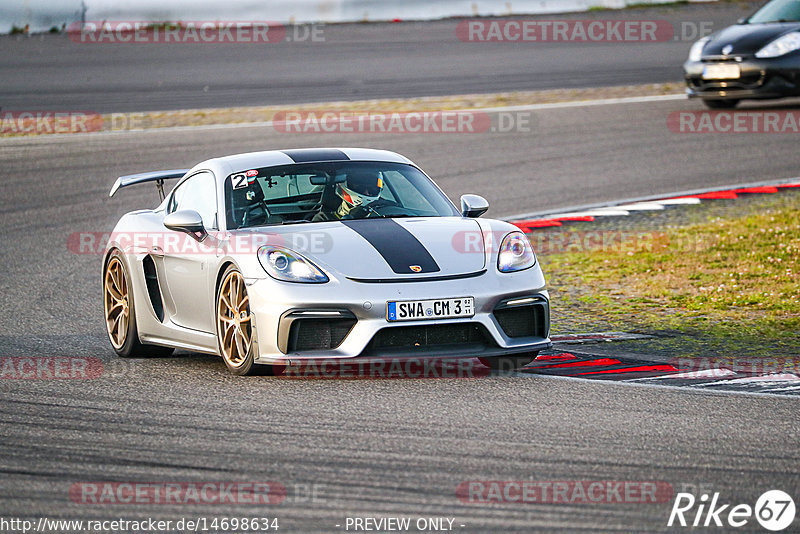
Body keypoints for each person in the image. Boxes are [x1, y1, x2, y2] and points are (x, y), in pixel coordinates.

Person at [313, 169, 384, 221]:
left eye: (372, 188)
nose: (367, 193)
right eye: (360, 187)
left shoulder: (387, 209)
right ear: (343, 185)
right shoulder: (323, 219)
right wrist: (351, 218)